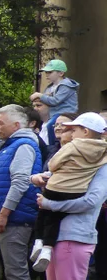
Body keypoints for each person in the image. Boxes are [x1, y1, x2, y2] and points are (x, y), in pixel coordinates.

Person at [28, 112, 107, 271]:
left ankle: (39, 243)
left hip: (76, 237)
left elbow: (91, 201)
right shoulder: (101, 154)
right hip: (63, 236)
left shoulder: (75, 148)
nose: (70, 134)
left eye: (74, 130)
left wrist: (48, 204)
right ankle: (44, 247)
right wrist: (37, 178)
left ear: (85, 132)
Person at [0, 105, 42, 280]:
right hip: (6, 217)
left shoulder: (23, 145)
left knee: (15, 270)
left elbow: (21, 182)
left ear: (16, 125)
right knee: (9, 269)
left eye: (1, 123)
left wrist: (3, 213)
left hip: (14, 219)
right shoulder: (9, 145)